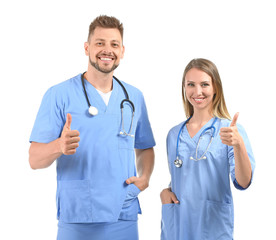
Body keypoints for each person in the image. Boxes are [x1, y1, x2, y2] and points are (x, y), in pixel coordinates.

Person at [29, 15, 155, 240]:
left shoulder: (134, 96)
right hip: (78, 216)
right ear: (87, 48)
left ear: (122, 51)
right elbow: (34, 159)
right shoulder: (58, 95)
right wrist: (59, 146)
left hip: (123, 212)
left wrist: (145, 177)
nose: (107, 50)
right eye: (100, 43)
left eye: (114, 44)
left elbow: (144, 147)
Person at [160, 58, 255, 240]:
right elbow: (184, 178)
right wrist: (165, 192)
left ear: (215, 88)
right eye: (191, 84)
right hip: (177, 225)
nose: (198, 91)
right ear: (184, 88)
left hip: (212, 227)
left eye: (204, 84)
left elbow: (243, 182)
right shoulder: (174, 135)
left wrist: (238, 144)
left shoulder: (229, 131)